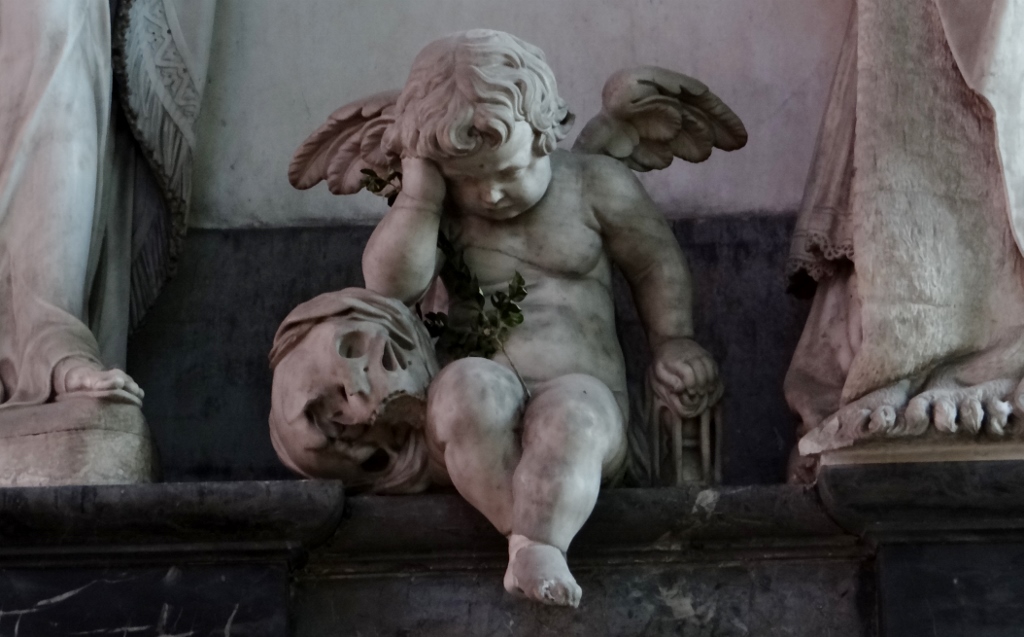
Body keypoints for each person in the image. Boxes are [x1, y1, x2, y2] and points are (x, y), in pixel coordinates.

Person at [360, 30, 718, 606]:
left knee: (571, 417)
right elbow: (388, 289)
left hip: (587, 397)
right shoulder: (439, 210)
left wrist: (674, 338)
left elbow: (655, 262)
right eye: (467, 179)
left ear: (544, 134)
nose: (490, 195)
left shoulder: (594, 184)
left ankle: (537, 543)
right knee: (464, 390)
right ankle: (530, 540)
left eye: (506, 173)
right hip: (478, 414)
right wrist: (421, 194)